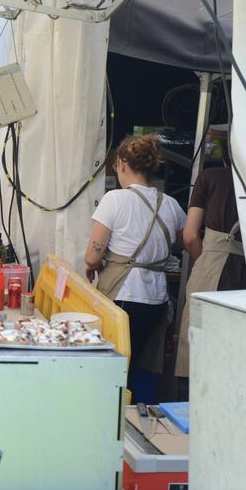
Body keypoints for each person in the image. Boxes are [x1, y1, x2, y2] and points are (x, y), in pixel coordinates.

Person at [83, 135, 186, 399]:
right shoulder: (171, 204)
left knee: (115, 363)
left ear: (120, 163)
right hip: (157, 299)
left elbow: (93, 255)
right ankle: (140, 417)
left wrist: (92, 265)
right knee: (146, 363)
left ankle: (111, 415)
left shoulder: (115, 199)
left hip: (124, 295)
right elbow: (183, 241)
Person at [173, 158, 246, 377]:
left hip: (213, 266)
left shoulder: (210, 177)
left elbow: (189, 236)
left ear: (225, 158)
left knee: (197, 341)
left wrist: (203, 259)